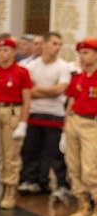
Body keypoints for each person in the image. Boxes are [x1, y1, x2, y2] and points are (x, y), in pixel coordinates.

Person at [18, 32, 71, 200]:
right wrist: (47, 91)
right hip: (34, 112)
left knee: (55, 152)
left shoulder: (63, 67)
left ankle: (62, 184)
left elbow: (60, 90)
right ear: (45, 44)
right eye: (55, 43)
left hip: (55, 114)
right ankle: (32, 180)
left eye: (60, 44)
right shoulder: (32, 66)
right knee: (31, 149)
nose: (58, 47)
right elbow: (27, 90)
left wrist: (37, 91)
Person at [0, 37, 32, 209]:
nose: (2, 54)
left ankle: (10, 189)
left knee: (11, 154)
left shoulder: (21, 72)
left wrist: (23, 122)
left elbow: (27, 99)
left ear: (14, 52)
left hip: (13, 111)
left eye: (6, 50)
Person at [63, 38, 97, 216]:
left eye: (86, 53)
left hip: (93, 124)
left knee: (90, 168)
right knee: (74, 166)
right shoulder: (78, 77)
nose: (82, 57)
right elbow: (71, 102)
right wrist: (65, 127)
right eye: (81, 54)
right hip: (74, 121)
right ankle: (82, 204)